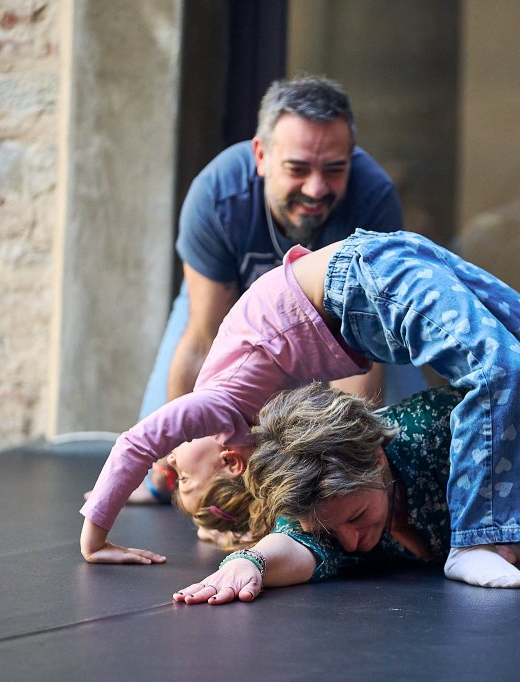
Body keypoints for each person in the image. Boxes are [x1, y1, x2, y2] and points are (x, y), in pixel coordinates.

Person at [80, 229, 520, 588]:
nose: (171, 461)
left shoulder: (217, 404)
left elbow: (137, 443)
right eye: (181, 478)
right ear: (233, 465)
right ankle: (519, 533)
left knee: (513, 366)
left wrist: (95, 536)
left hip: (365, 270)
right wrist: (233, 534)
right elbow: (289, 501)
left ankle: (495, 535)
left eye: (171, 468)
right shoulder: (255, 431)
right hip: (377, 267)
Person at [132, 75, 422, 503]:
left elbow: (361, 361)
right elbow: (203, 341)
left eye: (334, 169)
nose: (316, 189)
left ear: (351, 159)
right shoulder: (217, 195)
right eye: (298, 169)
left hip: (338, 330)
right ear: (261, 156)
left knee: (406, 453)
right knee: (166, 462)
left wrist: (344, 478)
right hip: (227, 316)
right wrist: (173, 462)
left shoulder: (373, 198)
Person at [171, 383, 520, 602]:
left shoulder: (446, 430)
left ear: (378, 459)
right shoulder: (313, 502)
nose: (350, 542)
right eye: (333, 531)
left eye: (357, 517)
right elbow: (294, 544)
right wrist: (251, 562)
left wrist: (508, 527)